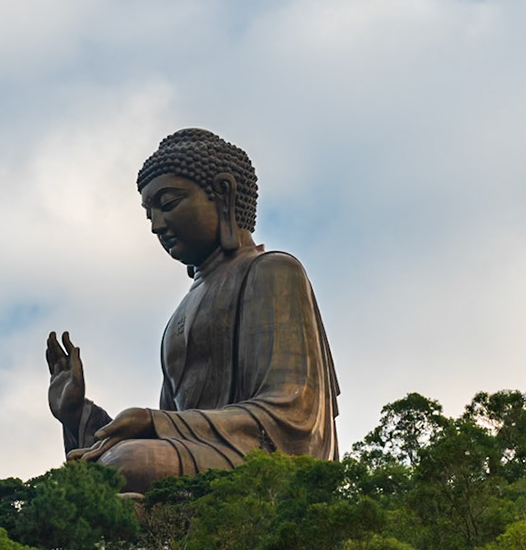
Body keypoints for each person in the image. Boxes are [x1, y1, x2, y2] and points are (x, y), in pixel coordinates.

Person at [46, 128, 339, 493]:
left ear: (225, 193)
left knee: (126, 463)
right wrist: (77, 414)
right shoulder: (179, 316)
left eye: (168, 204)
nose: (157, 226)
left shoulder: (273, 271)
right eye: (149, 214)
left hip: (264, 461)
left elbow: (294, 414)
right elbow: (170, 428)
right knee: (101, 470)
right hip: (202, 453)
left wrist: (156, 423)